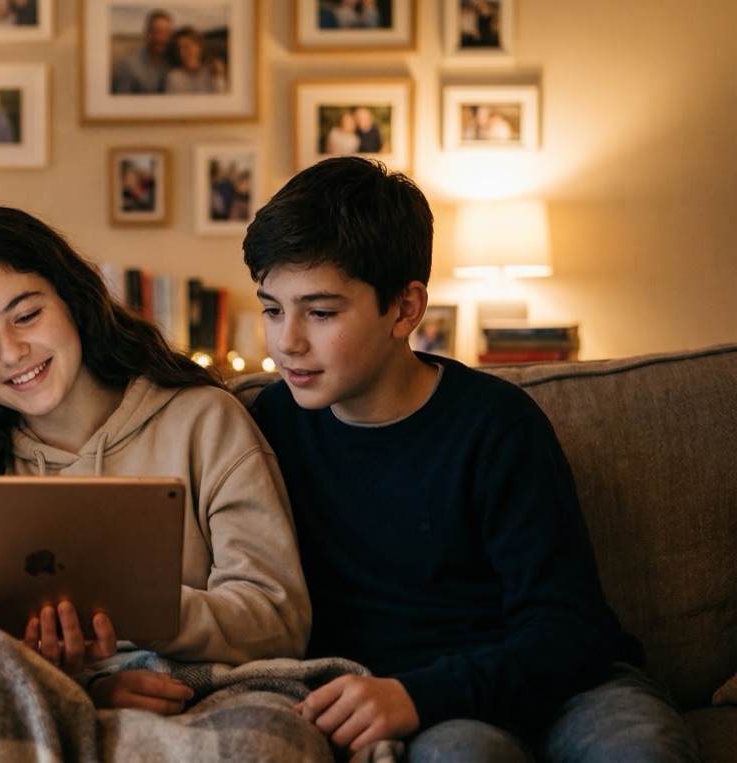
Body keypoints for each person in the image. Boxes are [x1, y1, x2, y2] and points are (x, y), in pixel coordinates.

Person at [240, 155, 700, 761]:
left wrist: (416, 694)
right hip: (431, 712)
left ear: (405, 309)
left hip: (568, 687)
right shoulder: (265, 428)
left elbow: (571, 630)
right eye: (273, 308)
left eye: (321, 312)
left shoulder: (496, 424)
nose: (286, 341)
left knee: (642, 749)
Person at [0, 205, 313, 715]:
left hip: (214, 694)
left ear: (73, 302)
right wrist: (87, 690)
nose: (12, 352)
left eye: (27, 315)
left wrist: (132, 607)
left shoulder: (204, 421)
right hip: (66, 708)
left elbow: (279, 620)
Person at [111, 9, 173, 94]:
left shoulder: (175, 60)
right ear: (147, 33)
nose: (162, 38)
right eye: (157, 32)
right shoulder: (129, 65)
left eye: (166, 32)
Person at [163, 25, 226, 94]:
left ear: (198, 47)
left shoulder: (213, 70)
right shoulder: (173, 77)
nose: (182, 53)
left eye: (187, 47)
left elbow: (221, 97)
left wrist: (218, 78)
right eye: (179, 48)